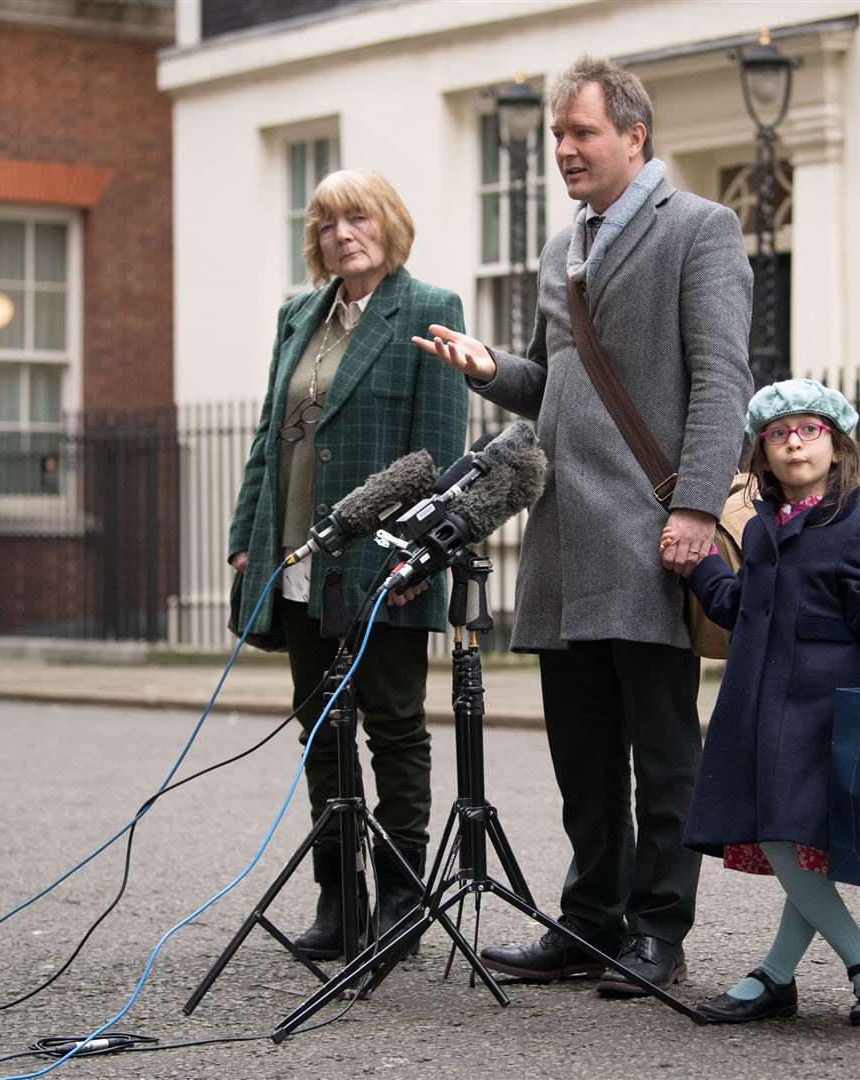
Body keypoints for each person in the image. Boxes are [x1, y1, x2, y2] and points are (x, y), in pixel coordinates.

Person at [414, 56, 752, 996]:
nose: (563, 150)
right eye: (557, 137)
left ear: (634, 137)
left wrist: (692, 504)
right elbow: (547, 381)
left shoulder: (701, 229)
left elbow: (725, 379)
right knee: (582, 754)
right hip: (564, 539)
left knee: (663, 750)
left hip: (652, 532)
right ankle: (589, 920)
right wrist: (486, 368)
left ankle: (658, 934)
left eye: (581, 134)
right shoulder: (561, 250)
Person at [680, 378, 860, 1026]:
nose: (794, 444)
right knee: (795, 840)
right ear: (762, 454)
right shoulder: (758, 529)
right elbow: (736, 609)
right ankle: (779, 977)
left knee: (788, 838)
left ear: (837, 446)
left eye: (809, 431)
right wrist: (704, 565)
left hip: (823, 712)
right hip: (760, 708)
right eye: (779, 434)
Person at [227, 169, 468, 959]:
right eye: (326, 222)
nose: (341, 234)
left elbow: (437, 451)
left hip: (382, 563)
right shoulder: (298, 315)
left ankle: (402, 899)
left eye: (356, 217)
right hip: (297, 554)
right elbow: (270, 435)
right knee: (320, 730)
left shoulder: (429, 309)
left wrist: (418, 557)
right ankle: (341, 902)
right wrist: (246, 534)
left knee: (394, 727)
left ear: (389, 223)